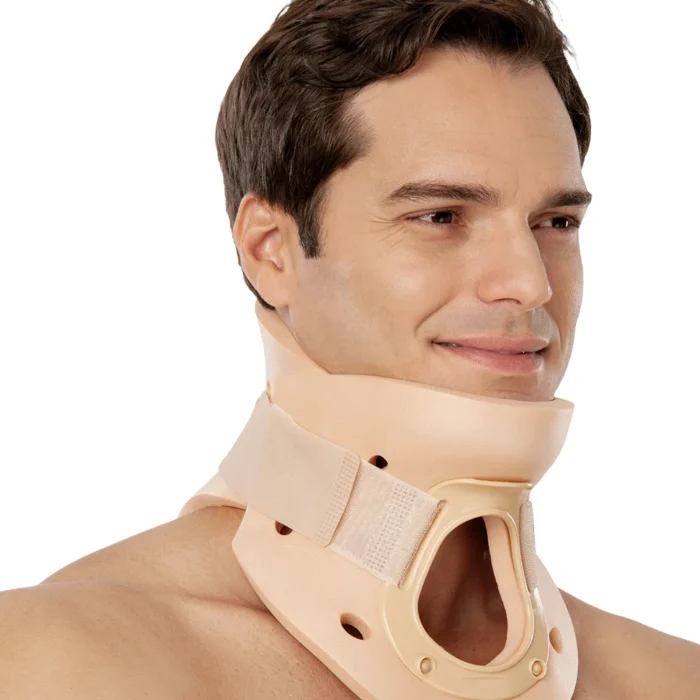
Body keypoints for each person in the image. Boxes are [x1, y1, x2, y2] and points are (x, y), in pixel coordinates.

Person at [2, 0, 699, 698]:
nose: (529, 283)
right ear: (270, 251)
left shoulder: (674, 679)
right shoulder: (62, 663)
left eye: (556, 221)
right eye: (441, 216)